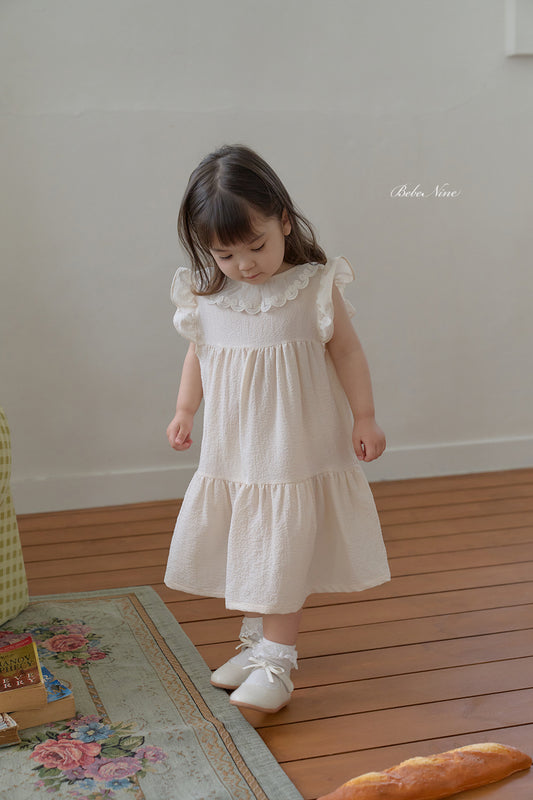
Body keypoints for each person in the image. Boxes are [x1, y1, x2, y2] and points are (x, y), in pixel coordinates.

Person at [164, 144, 390, 714]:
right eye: (225, 254)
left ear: (284, 221)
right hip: (235, 450)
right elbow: (198, 355)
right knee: (249, 539)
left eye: (256, 246)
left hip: (294, 449)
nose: (245, 265)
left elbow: (348, 353)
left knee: (280, 545)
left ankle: (278, 661)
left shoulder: (312, 287)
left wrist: (364, 415)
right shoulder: (209, 297)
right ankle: (256, 643)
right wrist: (185, 410)